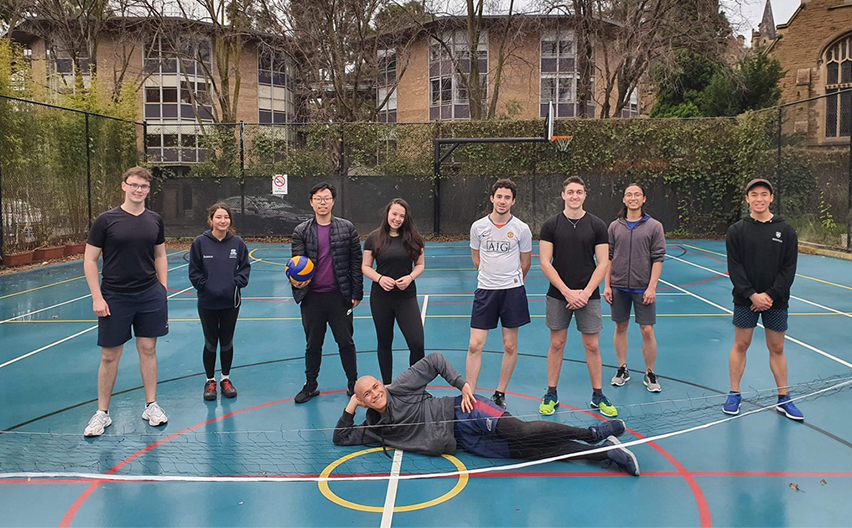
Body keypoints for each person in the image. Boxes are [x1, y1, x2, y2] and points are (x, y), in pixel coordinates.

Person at [333, 353, 639, 476]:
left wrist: (462, 385)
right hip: (465, 444)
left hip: (463, 411)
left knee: (522, 432)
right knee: (532, 452)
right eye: (368, 395)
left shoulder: (399, 387)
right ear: (363, 402)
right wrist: (351, 406)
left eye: (376, 386)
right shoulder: (377, 430)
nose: (376, 393)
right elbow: (341, 437)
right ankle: (606, 454)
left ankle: (593, 433)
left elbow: (436, 361)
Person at [82, 167, 169, 437]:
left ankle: (151, 405)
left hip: (149, 295)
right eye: (134, 185)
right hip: (114, 297)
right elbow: (89, 260)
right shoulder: (106, 221)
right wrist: (97, 296)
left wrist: (162, 288)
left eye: (143, 186)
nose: (138, 190)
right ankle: (102, 413)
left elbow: (160, 255)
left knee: (148, 349)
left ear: (148, 190)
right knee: (109, 355)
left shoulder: (154, 220)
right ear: (124, 186)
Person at [723, 178, 803, 421]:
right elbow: (735, 267)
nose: (759, 199)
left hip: (775, 301)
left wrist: (769, 295)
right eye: (754, 195)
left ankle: (783, 398)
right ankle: (734, 394)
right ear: (747, 199)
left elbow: (788, 269)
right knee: (741, 344)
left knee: (777, 347)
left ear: (771, 198)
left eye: (764, 194)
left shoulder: (786, 231)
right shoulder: (736, 231)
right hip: (745, 299)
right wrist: (752, 294)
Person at [539, 176, 615, 417]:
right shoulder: (550, 225)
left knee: (592, 345)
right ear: (563, 195)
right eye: (570, 192)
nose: (574, 196)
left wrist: (585, 293)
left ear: (584, 195)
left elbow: (603, 263)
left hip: (588, 296)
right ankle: (551, 393)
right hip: (559, 295)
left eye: (579, 192)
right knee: (557, 344)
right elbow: (544, 262)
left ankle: (598, 395)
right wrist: (567, 292)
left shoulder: (597, 225)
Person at [291, 182, 363, 403]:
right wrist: (298, 285)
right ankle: (311, 385)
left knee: (346, 342)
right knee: (313, 344)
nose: (323, 202)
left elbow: (355, 261)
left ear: (333, 201)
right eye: (318, 198)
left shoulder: (347, 228)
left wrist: (356, 292)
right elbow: (297, 263)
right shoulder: (301, 231)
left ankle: (353, 383)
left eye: (327, 198)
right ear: (312, 202)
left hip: (339, 297)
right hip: (312, 298)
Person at [466, 178, 532, 409]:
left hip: (512, 291)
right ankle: (470, 393)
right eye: (499, 197)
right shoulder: (478, 227)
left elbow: (526, 263)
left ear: (513, 201)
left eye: (507, 198)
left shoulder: (522, 229)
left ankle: (500, 392)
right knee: (475, 344)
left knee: (509, 345)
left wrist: (509, 280)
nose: (502, 201)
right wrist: (490, 277)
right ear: (492, 198)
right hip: (486, 291)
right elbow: (476, 259)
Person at [604, 183, 666, 392]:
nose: (633, 198)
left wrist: (652, 287)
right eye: (629, 195)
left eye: (637, 194)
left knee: (647, 330)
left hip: (643, 288)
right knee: (620, 327)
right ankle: (622, 368)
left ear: (643, 199)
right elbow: (608, 258)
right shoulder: (614, 226)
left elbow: (658, 258)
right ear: (624, 199)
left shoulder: (654, 226)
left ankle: (650, 373)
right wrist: (607, 285)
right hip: (619, 286)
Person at [188, 202, 251, 401]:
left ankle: (225, 378)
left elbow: (245, 268)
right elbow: (194, 271)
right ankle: (210, 381)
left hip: (230, 302)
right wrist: (205, 285)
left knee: (226, 341)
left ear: (230, 220)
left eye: (226, 217)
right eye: (218, 217)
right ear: (211, 220)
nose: (223, 221)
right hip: (207, 302)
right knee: (210, 342)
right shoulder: (200, 242)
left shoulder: (238, 243)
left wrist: (235, 283)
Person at [362, 198, 426, 384]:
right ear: (387, 214)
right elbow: (366, 266)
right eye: (394, 214)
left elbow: (420, 264)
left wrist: (410, 277)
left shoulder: (414, 238)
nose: (397, 219)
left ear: (406, 218)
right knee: (384, 341)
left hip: (406, 297)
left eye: (401, 216)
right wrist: (380, 278)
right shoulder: (374, 238)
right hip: (381, 298)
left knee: (417, 343)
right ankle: (388, 386)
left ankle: (415, 386)